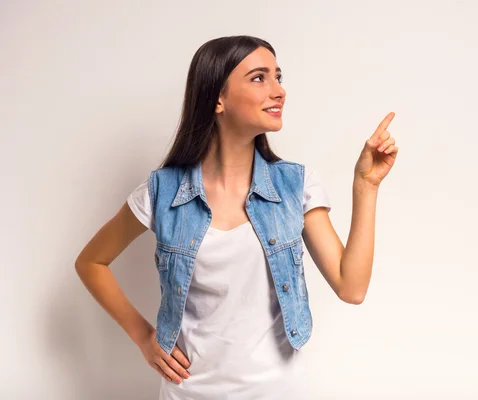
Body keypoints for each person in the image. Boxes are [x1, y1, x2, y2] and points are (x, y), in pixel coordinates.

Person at [74, 35, 399, 399]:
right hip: (187, 392)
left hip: (278, 391)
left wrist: (366, 185)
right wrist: (144, 338)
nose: (279, 91)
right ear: (217, 98)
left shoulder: (295, 186)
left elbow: (351, 288)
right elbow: (91, 262)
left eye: (279, 76)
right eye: (259, 78)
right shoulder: (161, 192)